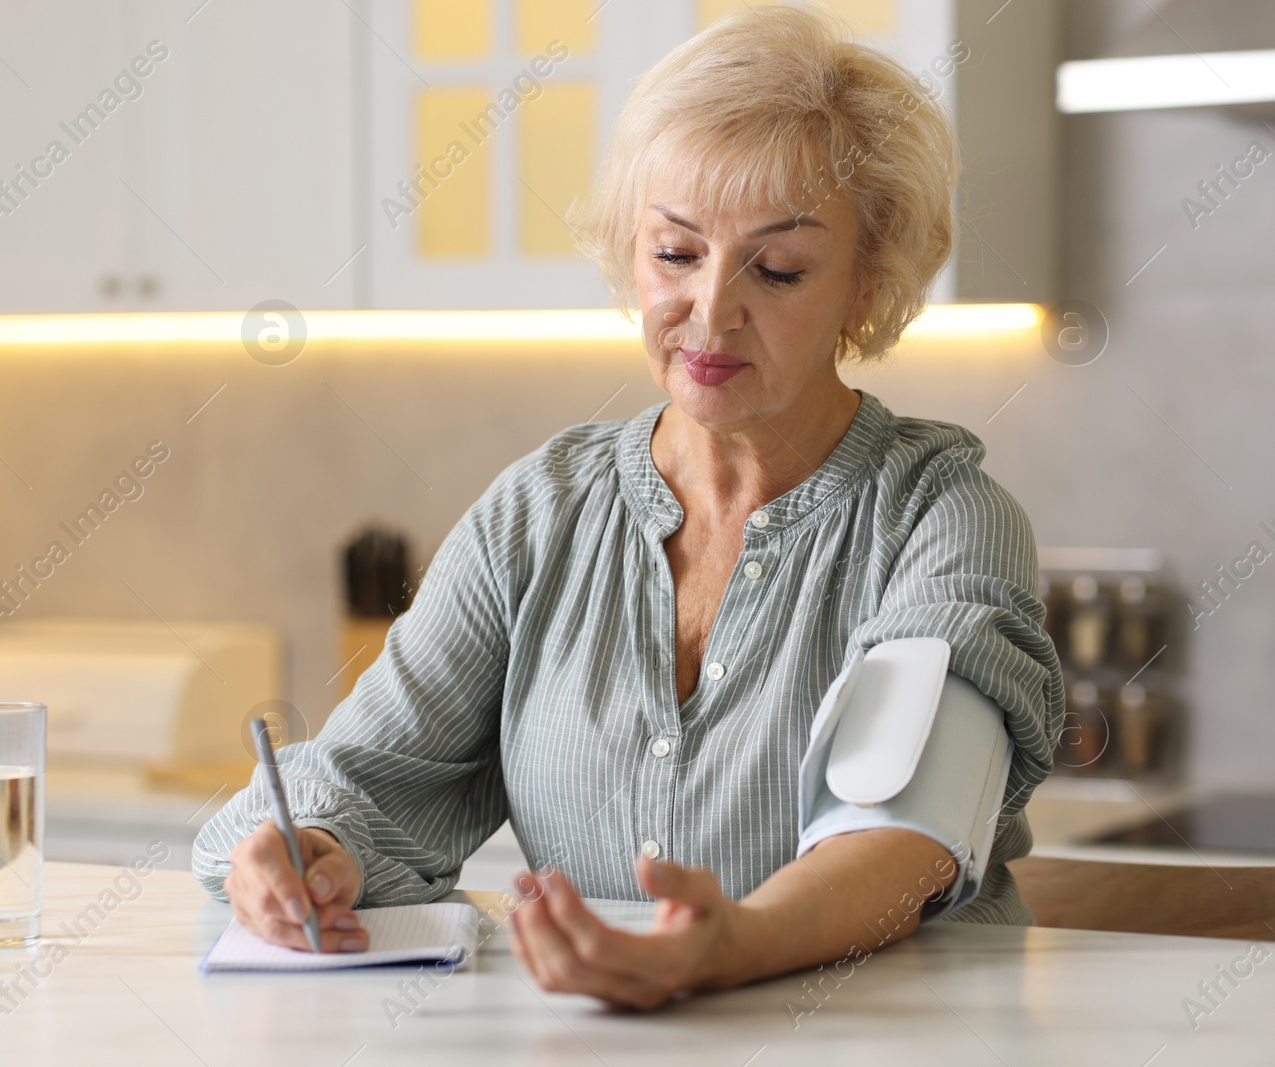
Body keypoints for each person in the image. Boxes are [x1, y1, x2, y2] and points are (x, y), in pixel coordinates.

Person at [195, 3, 1063, 1010]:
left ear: (866, 284)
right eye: (675, 253)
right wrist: (304, 845)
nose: (712, 308)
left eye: (777, 268)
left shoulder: (942, 516)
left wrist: (726, 945)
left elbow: (901, 832)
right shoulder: (536, 512)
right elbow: (366, 772)